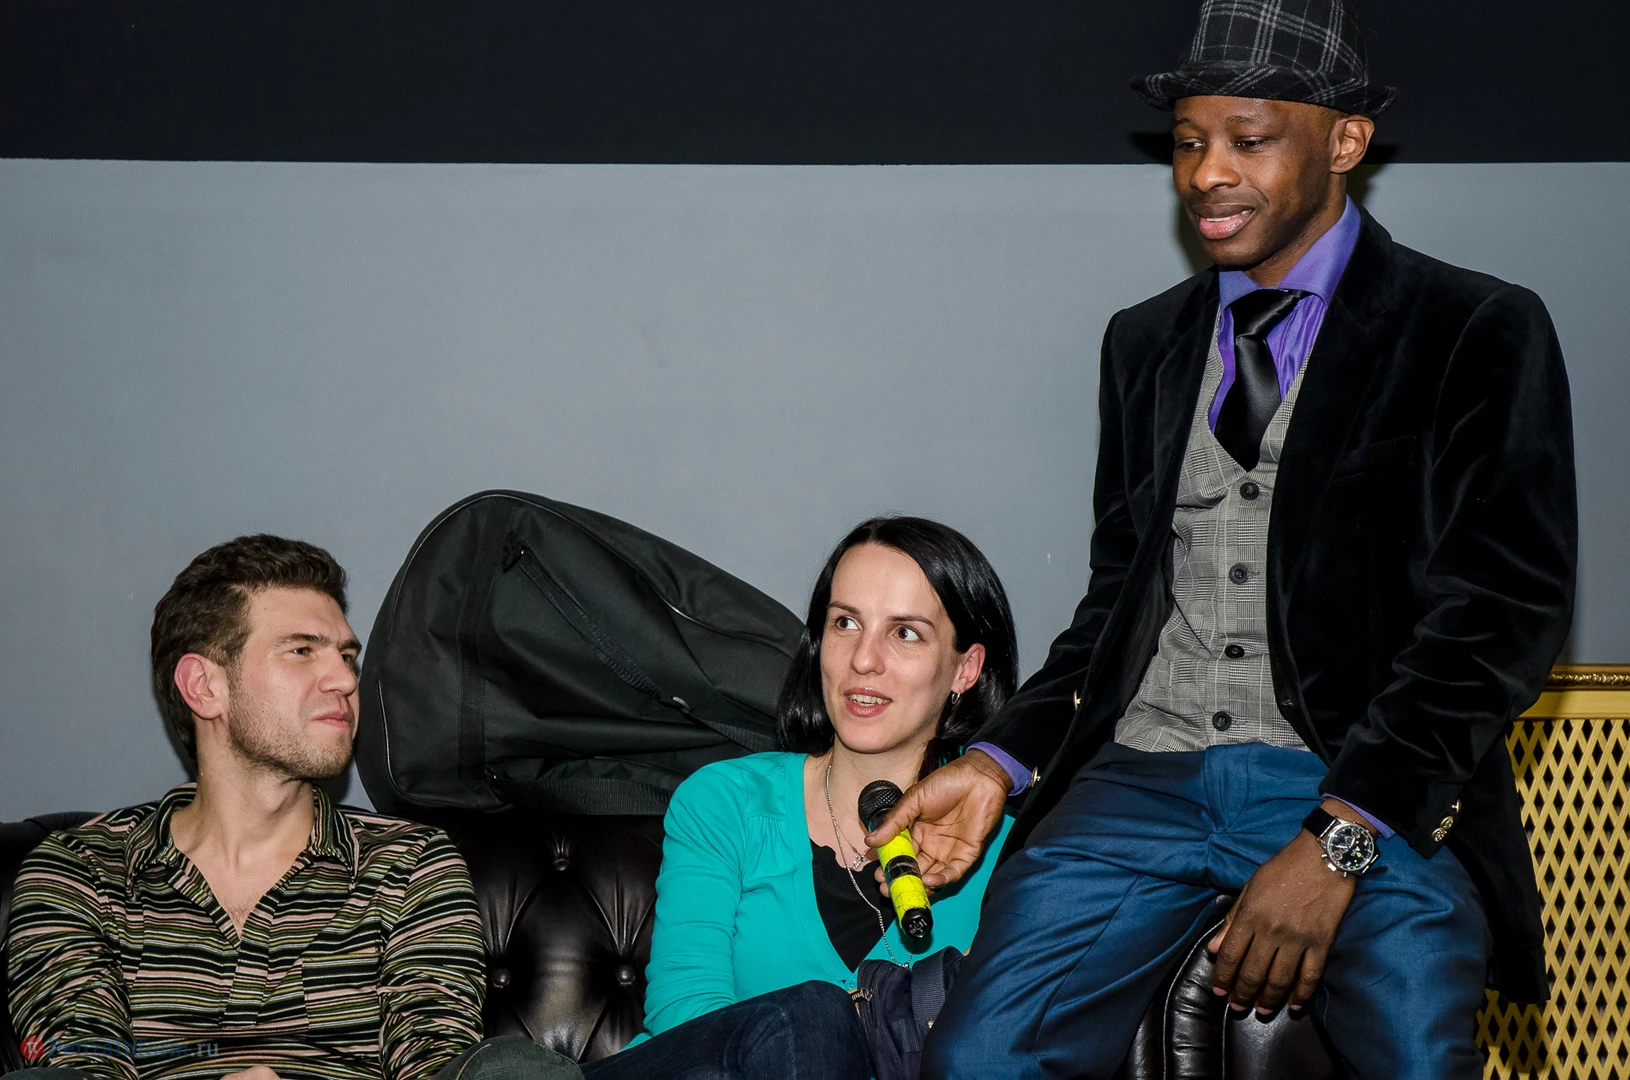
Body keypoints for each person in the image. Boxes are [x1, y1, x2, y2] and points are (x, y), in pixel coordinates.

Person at [864, 2, 1577, 1077]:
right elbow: (1116, 605)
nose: (1206, 173)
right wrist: (998, 760)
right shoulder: (1143, 342)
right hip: (1141, 779)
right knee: (976, 1060)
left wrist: (1342, 836)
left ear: (1345, 141)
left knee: (1419, 1060)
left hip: (1356, 773)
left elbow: (1499, 617)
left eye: (1248, 139)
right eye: (1189, 141)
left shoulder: (1472, 327)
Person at [5, 534, 579, 1080]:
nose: (344, 679)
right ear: (204, 686)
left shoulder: (409, 863)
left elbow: (433, 1060)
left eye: (347, 656)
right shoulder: (80, 869)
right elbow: (83, 1058)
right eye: (302, 651)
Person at [584, 515, 1018, 1077]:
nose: (863, 659)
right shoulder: (725, 802)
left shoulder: (1010, 850)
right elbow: (684, 1024)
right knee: (813, 1019)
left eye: (905, 633)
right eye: (845, 623)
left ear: (965, 668)